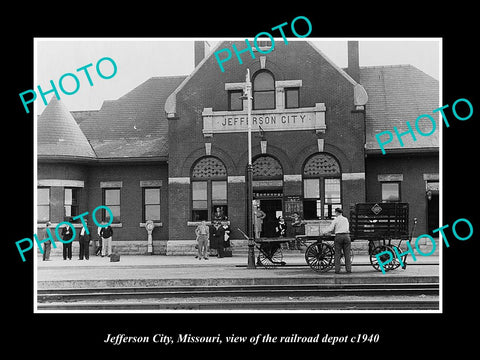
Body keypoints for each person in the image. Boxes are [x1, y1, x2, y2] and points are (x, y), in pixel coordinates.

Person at [322, 208, 352, 274]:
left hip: (339, 236)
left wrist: (324, 232)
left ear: (336, 212)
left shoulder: (336, 219)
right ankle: (348, 269)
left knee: (337, 253)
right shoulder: (345, 219)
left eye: (335, 212)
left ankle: (337, 270)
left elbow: (331, 228)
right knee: (347, 254)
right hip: (347, 236)